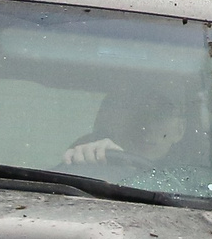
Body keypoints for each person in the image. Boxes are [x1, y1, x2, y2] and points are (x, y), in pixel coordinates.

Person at [61, 73, 203, 174]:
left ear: (180, 129)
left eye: (161, 115)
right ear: (116, 121)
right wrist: (88, 163)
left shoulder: (198, 173)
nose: (147, 127)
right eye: (138, 113)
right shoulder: (91, 154)